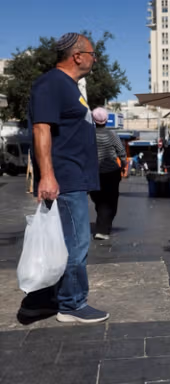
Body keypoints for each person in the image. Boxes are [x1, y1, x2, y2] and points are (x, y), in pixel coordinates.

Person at [20, 33, 109, 323]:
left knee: (62, 243)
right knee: (76, 244)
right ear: (77, 56)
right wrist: (47, 176)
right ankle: (72, 304)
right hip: (64, 178)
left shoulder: (70, 87)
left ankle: (46, 300)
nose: (95, 59)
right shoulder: (51, 83)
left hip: (73, 177)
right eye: (93, 54)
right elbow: (41, 130)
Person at [90, 107, 127, 241]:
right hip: (111, 172)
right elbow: (121, 152)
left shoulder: (89, 134)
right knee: (110, 201)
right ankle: (103, 229)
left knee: (99, 200)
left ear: (93, 120)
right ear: (106, 120)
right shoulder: (112, 134)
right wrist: (123, 165)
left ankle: (103, 226)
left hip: (93, 172)